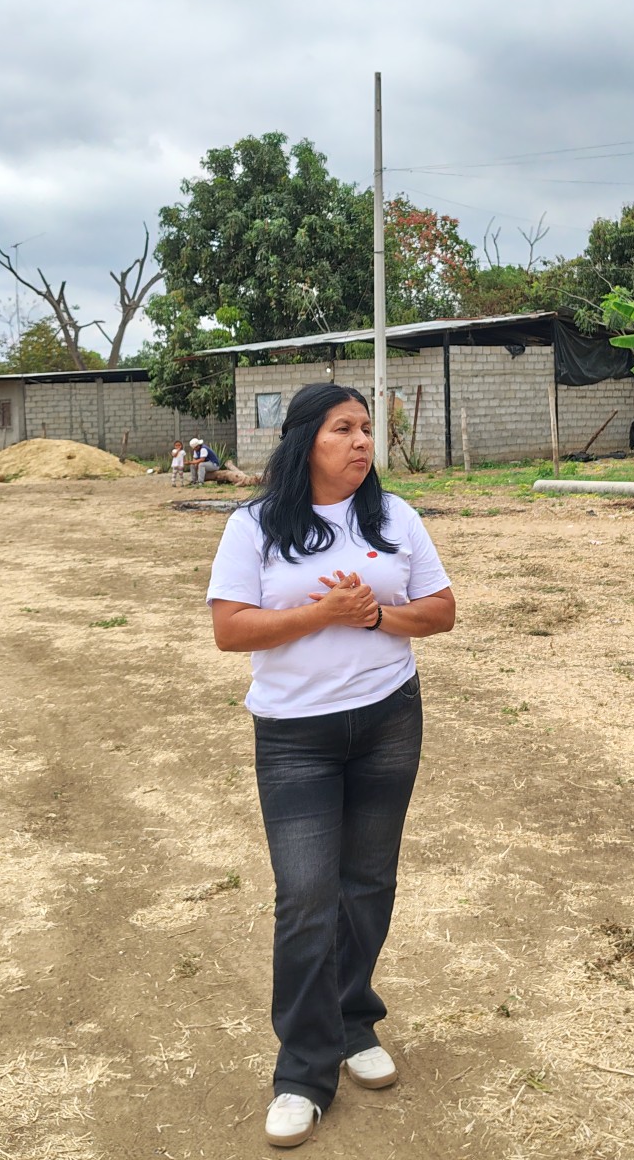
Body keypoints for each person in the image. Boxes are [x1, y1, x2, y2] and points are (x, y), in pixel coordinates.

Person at [206, 383, 458, 1149]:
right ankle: (302, 1072)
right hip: (295, 737)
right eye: (343, 428)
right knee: (307, 897)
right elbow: (230, 629)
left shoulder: (394, 517)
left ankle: (353, 1023)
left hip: (388, 720)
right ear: (303, 442)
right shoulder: (255, 526)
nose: (361, 442)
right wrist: (322, 613)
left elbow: (441, 610)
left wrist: (375, 614)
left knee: (369, 883)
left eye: (366, 428)